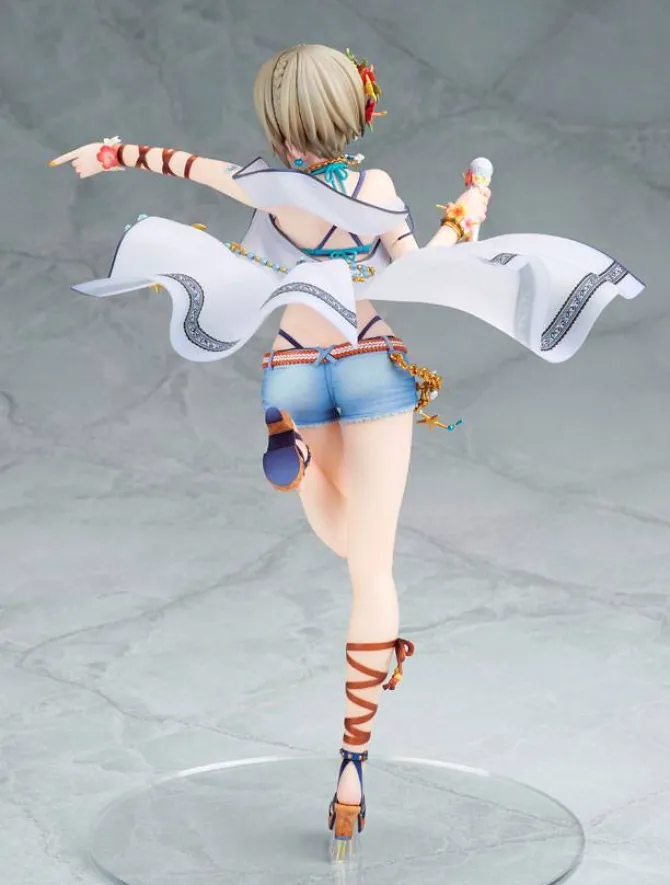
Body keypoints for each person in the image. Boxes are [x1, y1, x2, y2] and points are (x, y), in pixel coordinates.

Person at [49, 43, 643, 859]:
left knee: (346, 542)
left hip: (292, 366)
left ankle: (293, 454)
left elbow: (182, 164)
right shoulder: (378, 190)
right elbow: (423, 268)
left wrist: (112, 153)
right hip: (370, 362)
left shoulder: (262, 182)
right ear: (356, 112)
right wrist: (467, 216)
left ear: (278, 118)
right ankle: (352, 772)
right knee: (373, 567)